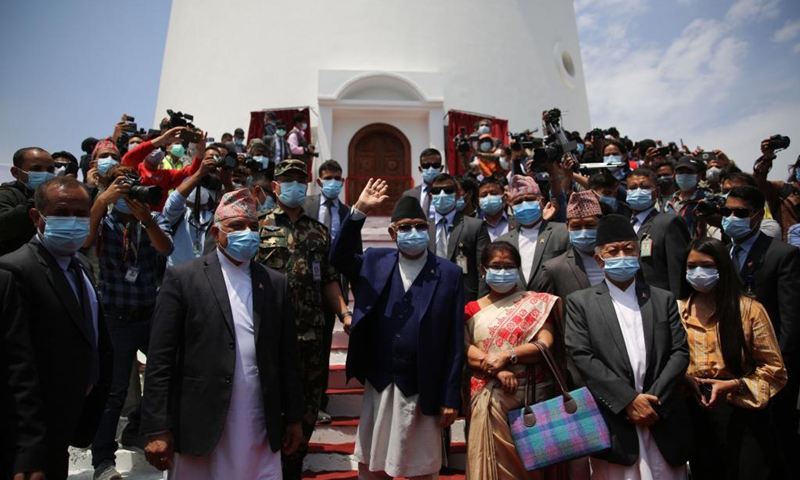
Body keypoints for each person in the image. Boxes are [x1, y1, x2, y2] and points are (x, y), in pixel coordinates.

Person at [140, 188, 304, 476]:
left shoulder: (275, 283)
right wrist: (157, 427)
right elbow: (160, 360)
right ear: (216, 233)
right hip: (201, 423)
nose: (247, 233)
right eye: (237, 226)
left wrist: (293, 418)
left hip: (258, 422)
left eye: (253, 226)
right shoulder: (184, 278)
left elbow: (288, 356)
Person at [330, 180, 463, 480]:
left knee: (422, 467)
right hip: (380, 380)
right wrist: (359, 211)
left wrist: (450, 397)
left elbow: (455, 341)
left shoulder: (448, 273)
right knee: (373, 463)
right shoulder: (375, 260)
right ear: (393, 233)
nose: (413, 232)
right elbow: (338, 258)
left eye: (420, 226)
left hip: (422, 385)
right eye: (405, 227)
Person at [0, 176, 112, 480]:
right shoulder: (15, 271)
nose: (73, 221)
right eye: (62, 213)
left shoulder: (81, 266)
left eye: (81, 214)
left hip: (65, 424)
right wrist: (28, 450)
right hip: (30, 438)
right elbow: (16, 368)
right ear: (37, 217)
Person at [565, 214, 690, 480]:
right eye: (613, 251)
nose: (622, 256)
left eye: (629, 249)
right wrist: (628, 401)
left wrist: (653, 402)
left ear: (638, 254)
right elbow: (582, 356)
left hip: (661, 414)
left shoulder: (662, 299)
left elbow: (680, 352)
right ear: (600, 259)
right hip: (615, 420)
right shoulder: (581, 303)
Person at [256, 159, 350, 479]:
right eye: (288, 180)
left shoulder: (318, 232)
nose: (294, 185)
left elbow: (329, 280)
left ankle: (294, 462)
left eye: (300, 180)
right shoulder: (257, 227)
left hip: (311, 334)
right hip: (269, 333)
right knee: (268, 399)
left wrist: (345, 313)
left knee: (308, 403)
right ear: (275, 186)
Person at [83, 164, 174, 480]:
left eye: (133, 184)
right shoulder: (101, 220)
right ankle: (103, 462)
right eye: (121, 185)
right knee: (114, 391)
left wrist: (146, 219)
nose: (129, 192)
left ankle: (137, 427)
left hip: (151, 314)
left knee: (172, 373)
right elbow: (83, 240)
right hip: (115, 318)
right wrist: (101, 201)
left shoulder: (152, 217)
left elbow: (166, 247)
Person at [679, 237, 787, 480]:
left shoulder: (749, 310)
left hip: (741, 409)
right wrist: (686, 380)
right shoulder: (677, 311)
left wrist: (734, 385)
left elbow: (774, 370)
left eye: (707, 265)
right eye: (691, 266)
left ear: (722, 267)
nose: (698, 272)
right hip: (695, 411)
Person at [464, 241, 565, 480]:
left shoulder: (537, 303)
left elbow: (545, 343)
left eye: (508, 266)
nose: (502, 271)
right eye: (496, 266)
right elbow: (465, 349)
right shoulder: (471, 309)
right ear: (482, 270)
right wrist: (496, 370)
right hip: (490, 397)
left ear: (518, 269)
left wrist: (507, 355)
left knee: (535, 466)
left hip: (534, 396)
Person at [722, 186, 800, 479]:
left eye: (740, 213)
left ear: (757, 215)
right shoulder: (722, 254)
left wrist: (779, 372)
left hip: (771, 370)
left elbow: (791, 321)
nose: (731, 218)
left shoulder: (782, 255)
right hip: (734, 368)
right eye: (727, 212)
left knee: (778, 442)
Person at [302, 158, 359, 423]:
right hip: (302, 284)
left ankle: (319, 402)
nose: (333, 182)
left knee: (323, 345)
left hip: (333, 286)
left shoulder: (348, 213)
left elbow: (355, 254)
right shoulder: (305, 205)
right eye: (328, 178)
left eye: (337, 178)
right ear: (319, 181)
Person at [626, 168, 690, 296]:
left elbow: (677, 270)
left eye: (645, 187)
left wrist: (678, 301)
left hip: (658, 299)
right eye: (633, 188)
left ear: (657, 192)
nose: (638, 191)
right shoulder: (625, 225)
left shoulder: (669, 223)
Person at [496, 175, 567, 290]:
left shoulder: (563, 233)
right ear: (512, 207)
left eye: (529, 199)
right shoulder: (503, 242)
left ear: (541, 201)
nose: (524, 204)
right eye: (518, 201)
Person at [427, 173, 490, 302]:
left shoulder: (475, 226)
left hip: (464, 299)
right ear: (431, 195)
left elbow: (484, 269)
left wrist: (480, 304)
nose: (442, 194)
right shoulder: (423, 228)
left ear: (457, 194)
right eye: (436, 191)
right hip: (431, 296)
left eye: (448, 190)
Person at [534, 190, 607, 300]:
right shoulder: (554, 269)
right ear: (567, 227)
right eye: (576, 227)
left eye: (590, 225)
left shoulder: (619, 260)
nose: (583, 232)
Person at [120, 126, 204, 211]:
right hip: (133, 215)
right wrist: (162, 139)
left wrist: (200, 152)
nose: (159, 150)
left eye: (162, 148)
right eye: (156, 147)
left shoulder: (167, 175)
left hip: (156, 218)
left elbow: (191, 173)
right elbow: (128, 158)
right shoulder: (135, 169)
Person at [162, 150, 217, 267]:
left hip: (204, 274)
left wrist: (226, 181)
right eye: (194, 184)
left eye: (203, 184)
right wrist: (199, 174)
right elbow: (175, 200)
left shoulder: (214, 216)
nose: (199, 188)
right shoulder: (177, 213)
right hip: (177, 273)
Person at [0, 147, 55, 256]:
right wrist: (38, 198)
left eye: (50, 170)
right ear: (16, 172)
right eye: (37, 169)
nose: (45, 174)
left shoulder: (54, 197)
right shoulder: (6, 195)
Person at [754, 139, 800, 242]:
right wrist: (767, 158)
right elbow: (757, 182)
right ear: (796, 169)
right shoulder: (782, 190)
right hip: (789, 249)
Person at [666, 156, 706, 237]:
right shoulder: (668, 201)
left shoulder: (705, 200)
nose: (684, 176)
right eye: (680, 172)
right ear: (675, 175)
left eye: (689, 172)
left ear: (699, 176)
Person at [402, 148, 444, 219]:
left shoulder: (449, 193)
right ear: (420, 169)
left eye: (435, 165)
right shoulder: (409, 195)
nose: (431, 169)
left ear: (441, 168)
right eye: (426, 166)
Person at [478, 176, 516, 241]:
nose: (489, 197)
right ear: (479, 201)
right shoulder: (474, 227)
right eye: (484, 195)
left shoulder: (516, 222)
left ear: (503, 197)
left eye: (494, 193)